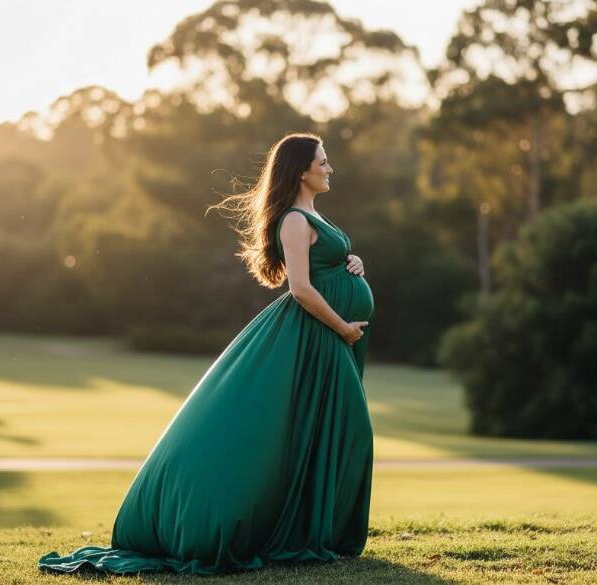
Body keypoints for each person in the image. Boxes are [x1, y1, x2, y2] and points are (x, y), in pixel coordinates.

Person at [38, 132, 375, 575]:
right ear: (300, 170)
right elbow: (299, 288)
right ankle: (268, 525)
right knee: (344, 431)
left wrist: (353, 264)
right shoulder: (294, 220)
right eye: (323, 162)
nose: (330, 169)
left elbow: (324, 265)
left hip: (333, 337)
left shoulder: (313, 214)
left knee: (326, 430)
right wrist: (343, 327)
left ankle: (319, 529)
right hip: (316, 336)